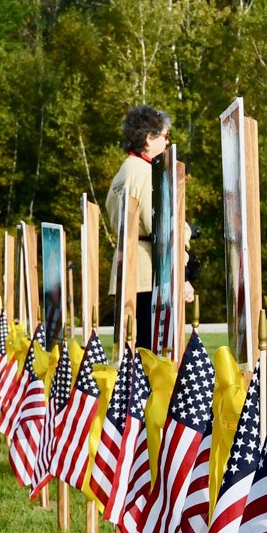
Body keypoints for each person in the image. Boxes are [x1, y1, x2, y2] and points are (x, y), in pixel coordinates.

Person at [107, 105, 167, 351]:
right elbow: (157, 223)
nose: (167, 143)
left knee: (128, 348)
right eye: (164, 136)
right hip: (144, 271)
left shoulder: (123, 171)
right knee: (146, 351)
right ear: (148, 138)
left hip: (124, 266)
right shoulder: (144, 170)